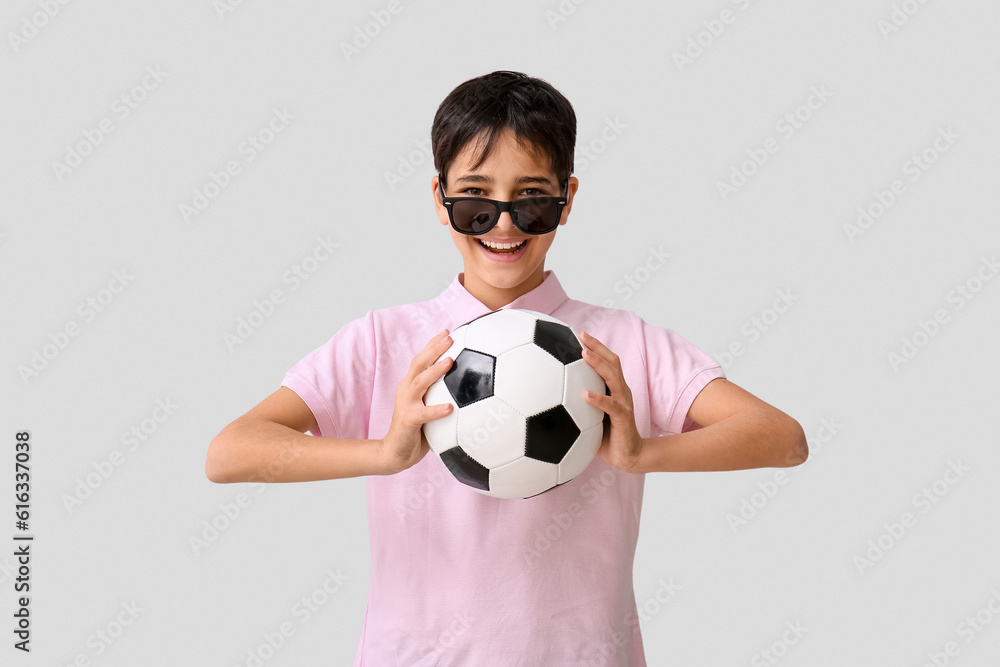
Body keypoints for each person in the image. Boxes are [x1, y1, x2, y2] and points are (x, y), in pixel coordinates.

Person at [206, 70, 808, 666]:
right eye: (474, 200)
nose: (502, 224)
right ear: (440, 201)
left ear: (567, 200)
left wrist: (641, 453)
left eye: (531, 200)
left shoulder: (620, 345)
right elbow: (229, 454)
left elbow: (783, 439)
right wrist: (384, 453)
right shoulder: (383, 341)